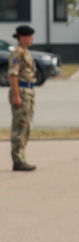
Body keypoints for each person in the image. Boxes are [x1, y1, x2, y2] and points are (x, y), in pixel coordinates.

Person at [8, 23, 37, 172]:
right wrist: (16, 95)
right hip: (21, 91)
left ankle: (21, 157)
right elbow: (13, 75)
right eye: (29, 36)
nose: (31, 38)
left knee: (26, 126)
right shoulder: (18, 52)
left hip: (28, 92)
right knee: (19, 126)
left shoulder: (25, 51)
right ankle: (18, 159)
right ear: (22, 37)